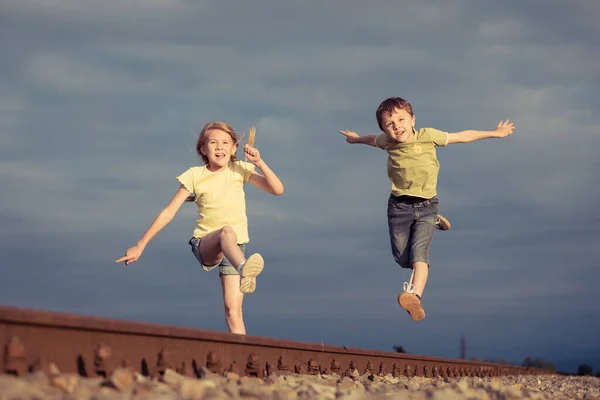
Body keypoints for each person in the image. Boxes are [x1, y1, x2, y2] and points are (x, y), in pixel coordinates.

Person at [339, 97, 514, 322]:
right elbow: (372, 140)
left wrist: (494, 133)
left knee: (419, 256)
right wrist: (355, 139)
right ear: (384, 128)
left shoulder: (428, 136)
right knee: (403, 259)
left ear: (413, 119)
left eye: (401, 119)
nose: (397, 126)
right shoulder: (387, 142)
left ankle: (414, 296)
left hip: (427, 205)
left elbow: (462, 136)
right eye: (389, 124)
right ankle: (436, 222)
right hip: (399, 207)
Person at [116, 121, 284, 334]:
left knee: (233, 311)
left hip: (235, 250)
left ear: (233, 149)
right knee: (226, 232)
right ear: (203, 149)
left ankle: (241, 357)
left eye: (225, 143)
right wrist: (140, 245)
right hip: (207, 244)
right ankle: (245, 269)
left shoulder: (239, 170)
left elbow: (277, 189)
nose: (219, 147)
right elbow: (169, 212)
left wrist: (259, 162)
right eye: (213, 142)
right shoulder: (194, 175)